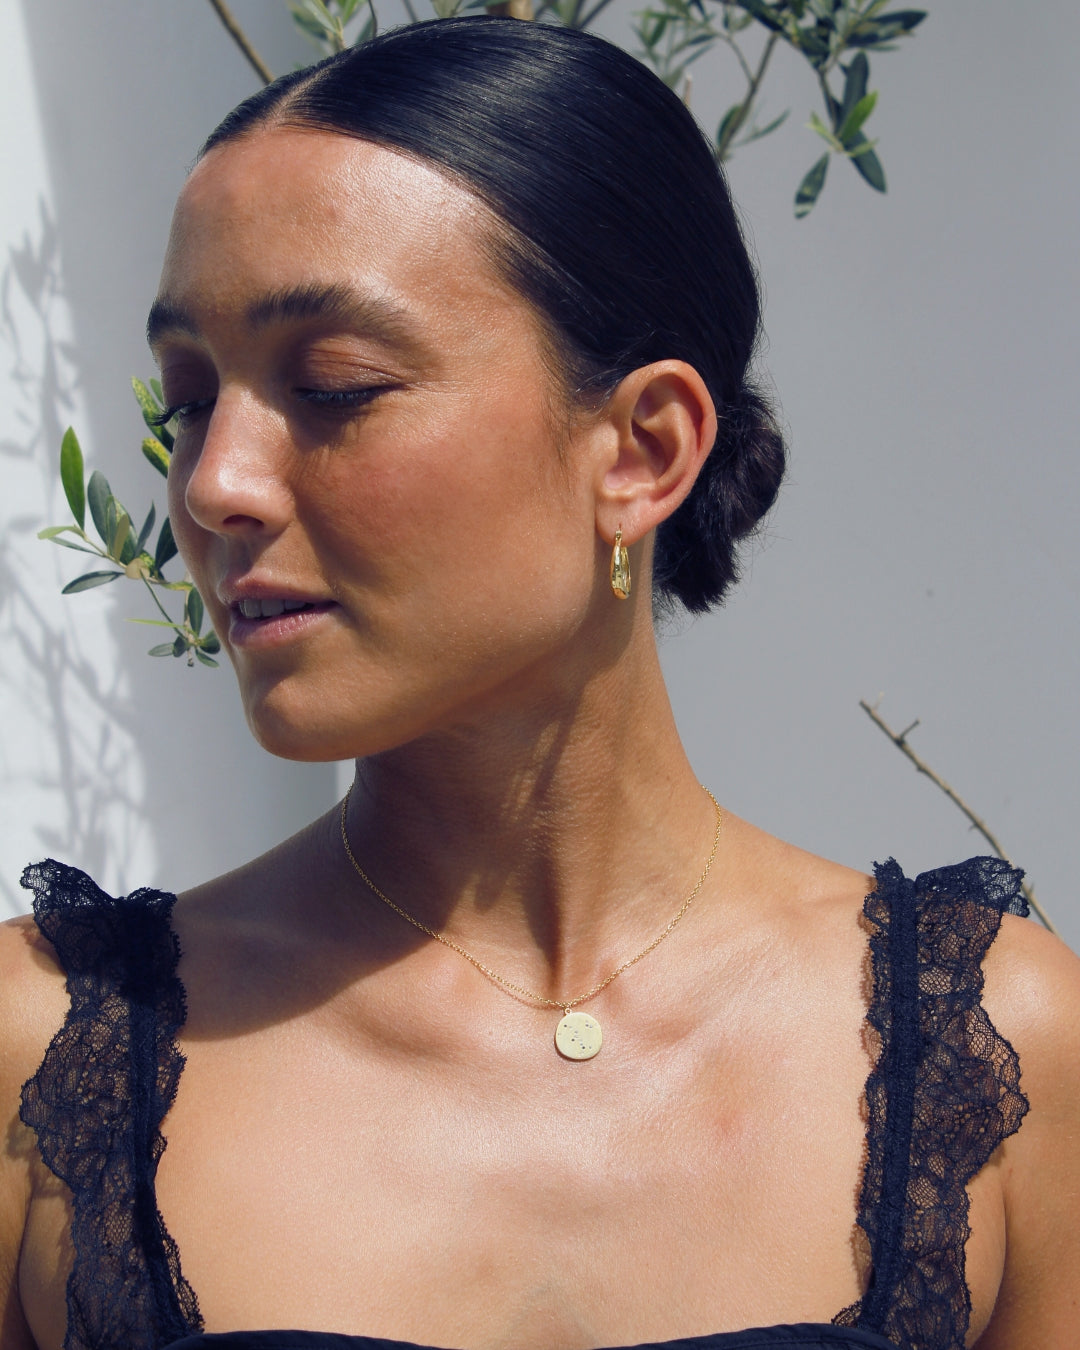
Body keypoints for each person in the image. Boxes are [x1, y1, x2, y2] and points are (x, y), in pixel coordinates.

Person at [1, 16, 1078, 1350]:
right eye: (187, 398)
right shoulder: (48, 1056)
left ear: (641, 450)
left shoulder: (995, 1047)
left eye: (333, 384)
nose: (213, 482)